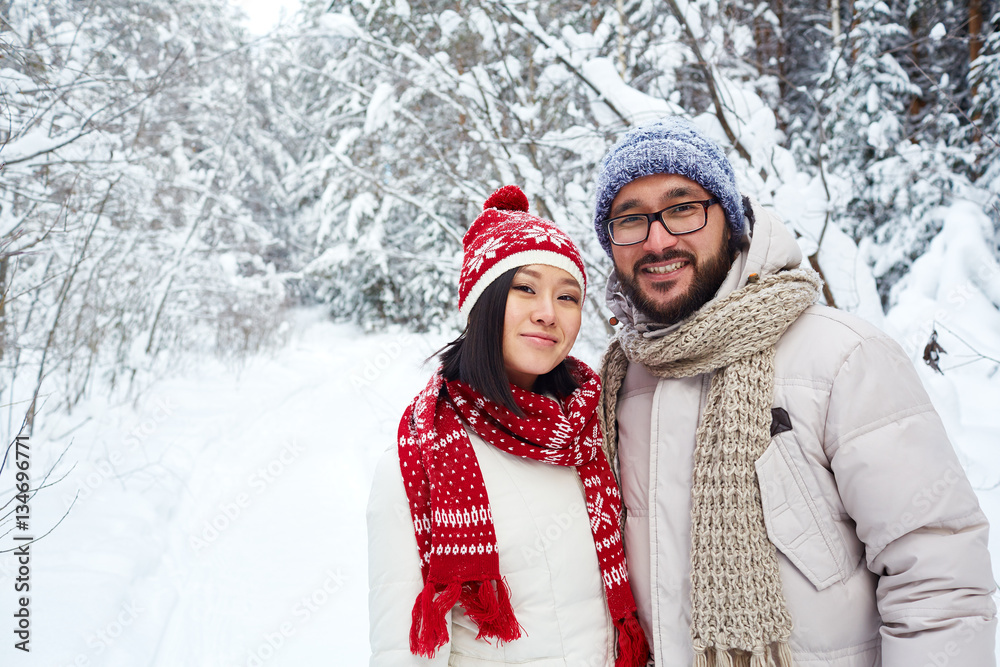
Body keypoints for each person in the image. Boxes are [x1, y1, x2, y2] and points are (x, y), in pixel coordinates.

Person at [591, 117, 997, 666]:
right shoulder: (614, 389)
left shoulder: (842, 357)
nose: (658, 240)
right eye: (630, 219)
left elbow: (938, 581)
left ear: (730, 220)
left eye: (682, 208)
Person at [367, 185, 648, 666]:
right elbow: (404, 652)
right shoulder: (421, 459)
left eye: (567, 296)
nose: (548, 313)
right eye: (526, 288)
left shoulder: (594, 429)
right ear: (483, 302)